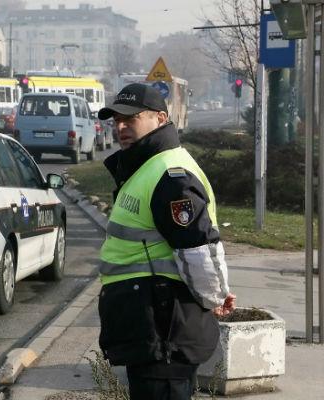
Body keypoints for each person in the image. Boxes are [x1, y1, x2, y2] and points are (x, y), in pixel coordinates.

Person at [96, 83, 236, 400]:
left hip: (164, 329)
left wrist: (215, 297)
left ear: (160, 118)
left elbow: (199, 249)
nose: (120, 127)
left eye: (131, 119)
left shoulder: (171, 174)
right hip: (150, 326)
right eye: (116, 119)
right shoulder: (146, 167)